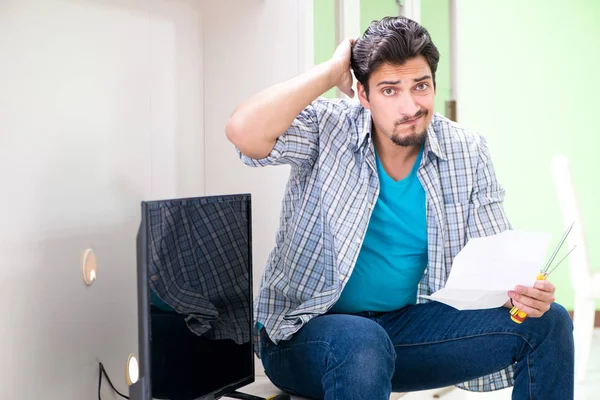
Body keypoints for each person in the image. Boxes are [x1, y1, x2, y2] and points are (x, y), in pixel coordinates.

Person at [226, 16, 574, 400]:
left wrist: (523, 293)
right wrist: (329, 72)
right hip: (303, 332)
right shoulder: (327, 128)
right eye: (390, 90)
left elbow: (497, 266)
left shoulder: (466, 150)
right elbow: (244, 133)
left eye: (420, 86)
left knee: (549, 321)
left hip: (400, 332)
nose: (410, 106)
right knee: (361, 341)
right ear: (363, 94)